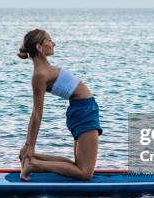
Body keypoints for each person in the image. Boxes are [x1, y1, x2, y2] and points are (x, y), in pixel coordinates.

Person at [17, 29, 102, 181]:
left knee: (77, 165)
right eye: (49, 40)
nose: (53, 43)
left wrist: (29, 147)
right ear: (38, 47)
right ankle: (34, 165)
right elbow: (37, 113)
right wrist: (30, 143)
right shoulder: (40, 74)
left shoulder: (44, 70)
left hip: (81, 109)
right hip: (84, 111)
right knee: (85, 173)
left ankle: (31, 157)